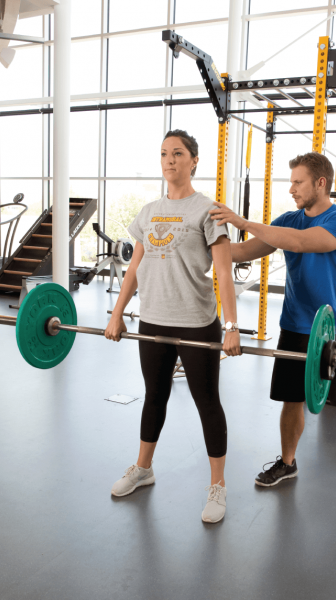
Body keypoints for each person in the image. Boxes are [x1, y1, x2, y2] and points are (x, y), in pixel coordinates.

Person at [209, 152, 336, 505]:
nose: (291, 188)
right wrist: (196, 244)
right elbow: (243, 251)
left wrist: (243, 220)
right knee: (291, 401)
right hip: (294, 326)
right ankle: (288, 462)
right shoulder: (287, 219)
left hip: (334, 329)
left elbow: (300, 243)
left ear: (320, 183)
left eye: (298, 182)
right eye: (290, 181)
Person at [105, 130, 243, 524]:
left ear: (194, 160)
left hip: (197, 323)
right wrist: (117, 313)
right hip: (152, 319)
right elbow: (135, 268)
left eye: (178, 153)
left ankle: (217, 486)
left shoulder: (209, 211)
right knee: (154, 396)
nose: (169, 160)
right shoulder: (148, 212)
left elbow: (223, 272)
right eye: (164, 153)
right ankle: (143, 468)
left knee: (207, 402)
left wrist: (231, 325)